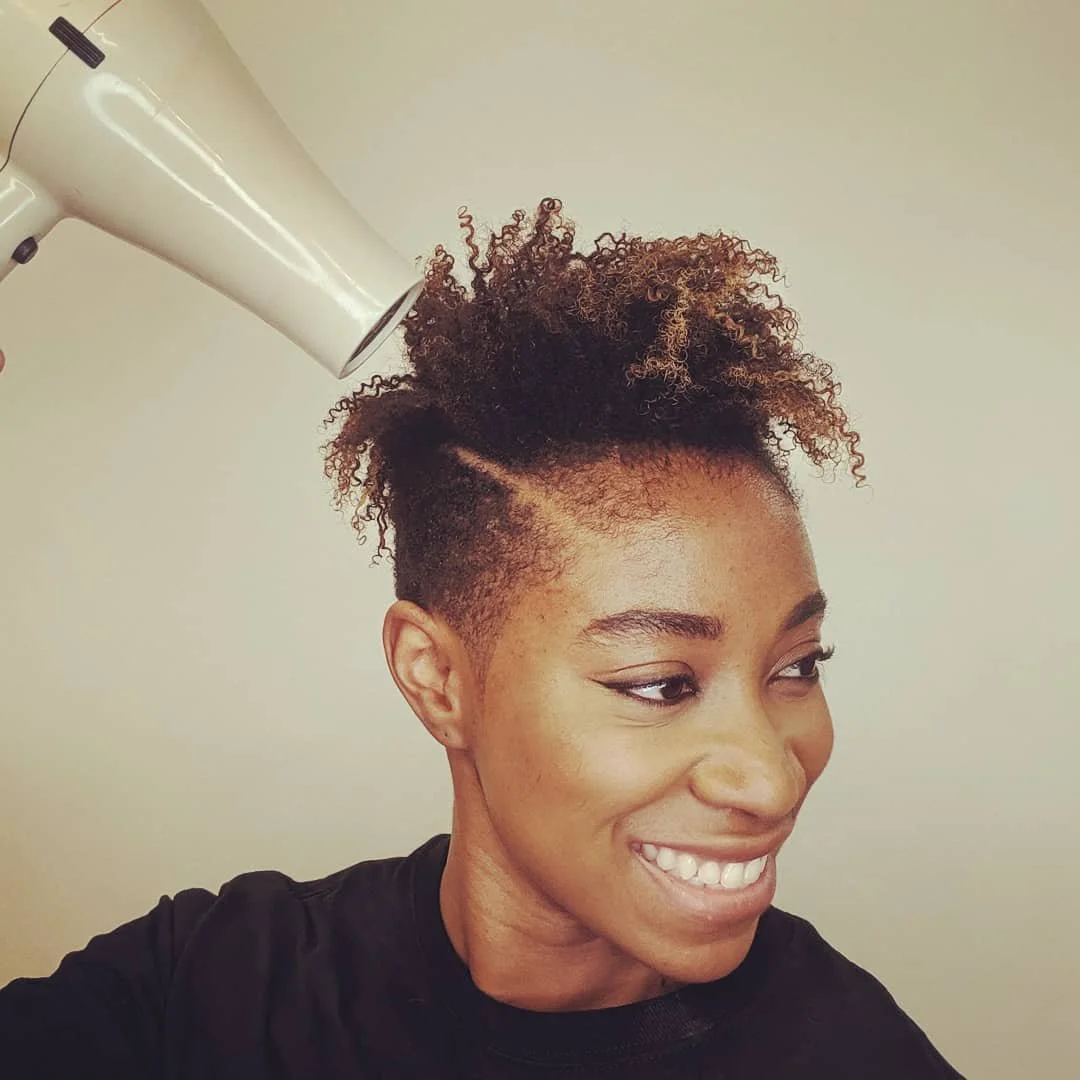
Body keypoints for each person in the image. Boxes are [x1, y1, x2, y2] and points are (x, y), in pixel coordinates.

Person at [0, 199, 963, 1078]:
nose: (772, 779)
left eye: (798, 666)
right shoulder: (213, 992)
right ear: (437, 678)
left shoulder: (848, 1054)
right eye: (662, 682)